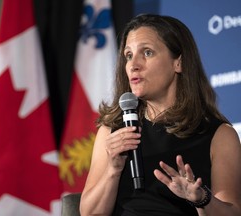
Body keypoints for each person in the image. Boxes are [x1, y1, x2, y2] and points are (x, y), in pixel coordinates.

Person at [79, 13, 241, 216]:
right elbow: (89, 214)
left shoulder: (219, 135)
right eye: (128, 55)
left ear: (178, 63)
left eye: (147, 53)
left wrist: (202, 199)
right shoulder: (113, 130)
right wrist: (113, 169)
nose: (133, 65)